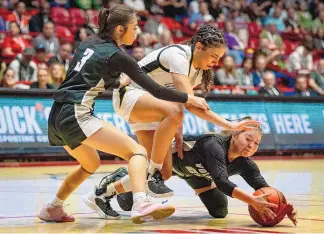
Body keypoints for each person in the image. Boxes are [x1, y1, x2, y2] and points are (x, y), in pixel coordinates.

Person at [37, 4, 208, 224]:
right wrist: (189, 98)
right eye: (134, 27)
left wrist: (118, 82)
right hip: (76, 113)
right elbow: (156, 90)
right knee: (137, 152)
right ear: (120, 30)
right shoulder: (118, 56)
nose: (137, 32)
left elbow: (86, 75)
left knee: (90, 164)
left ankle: (53, 207)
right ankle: (141, 203)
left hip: (56, 115)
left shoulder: (88, 43)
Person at [82, 24, 260, 218]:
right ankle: (153, 174)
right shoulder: (179, 55)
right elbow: (189, 104)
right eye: (213, 57)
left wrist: (177, 128)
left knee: (167, 171)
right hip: (130, 95)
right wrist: (230, 125)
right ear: (199, 47)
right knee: (158, 168)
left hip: (153, 108)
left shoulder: (198, 72)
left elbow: (178, 103)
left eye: (219, 59)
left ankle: (101, 193)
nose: (215, 63)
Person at [93, 118, 298, 225]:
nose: (251, 146)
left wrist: (283, 204)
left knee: (220, 211)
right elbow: (223, 182)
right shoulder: (214, 144)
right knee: (127, 204)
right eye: (248, 139)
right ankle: (121, 176)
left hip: (196, 174)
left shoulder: (247, 164)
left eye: (256, 143)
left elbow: (264, 188)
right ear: (235, 135)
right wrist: (252, 201)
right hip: (170, 161)